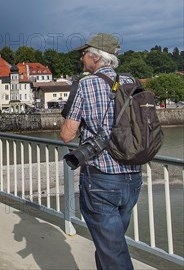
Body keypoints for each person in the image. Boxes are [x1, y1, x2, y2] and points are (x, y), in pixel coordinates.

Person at [60, 33, 142, 270]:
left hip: (102, 180)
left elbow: (67, 135)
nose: (81, 57)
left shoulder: (85, 84)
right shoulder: (131, 81)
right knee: (110, 246)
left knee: (112, 251)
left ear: (96, 57)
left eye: (84, 53)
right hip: (133, 177)